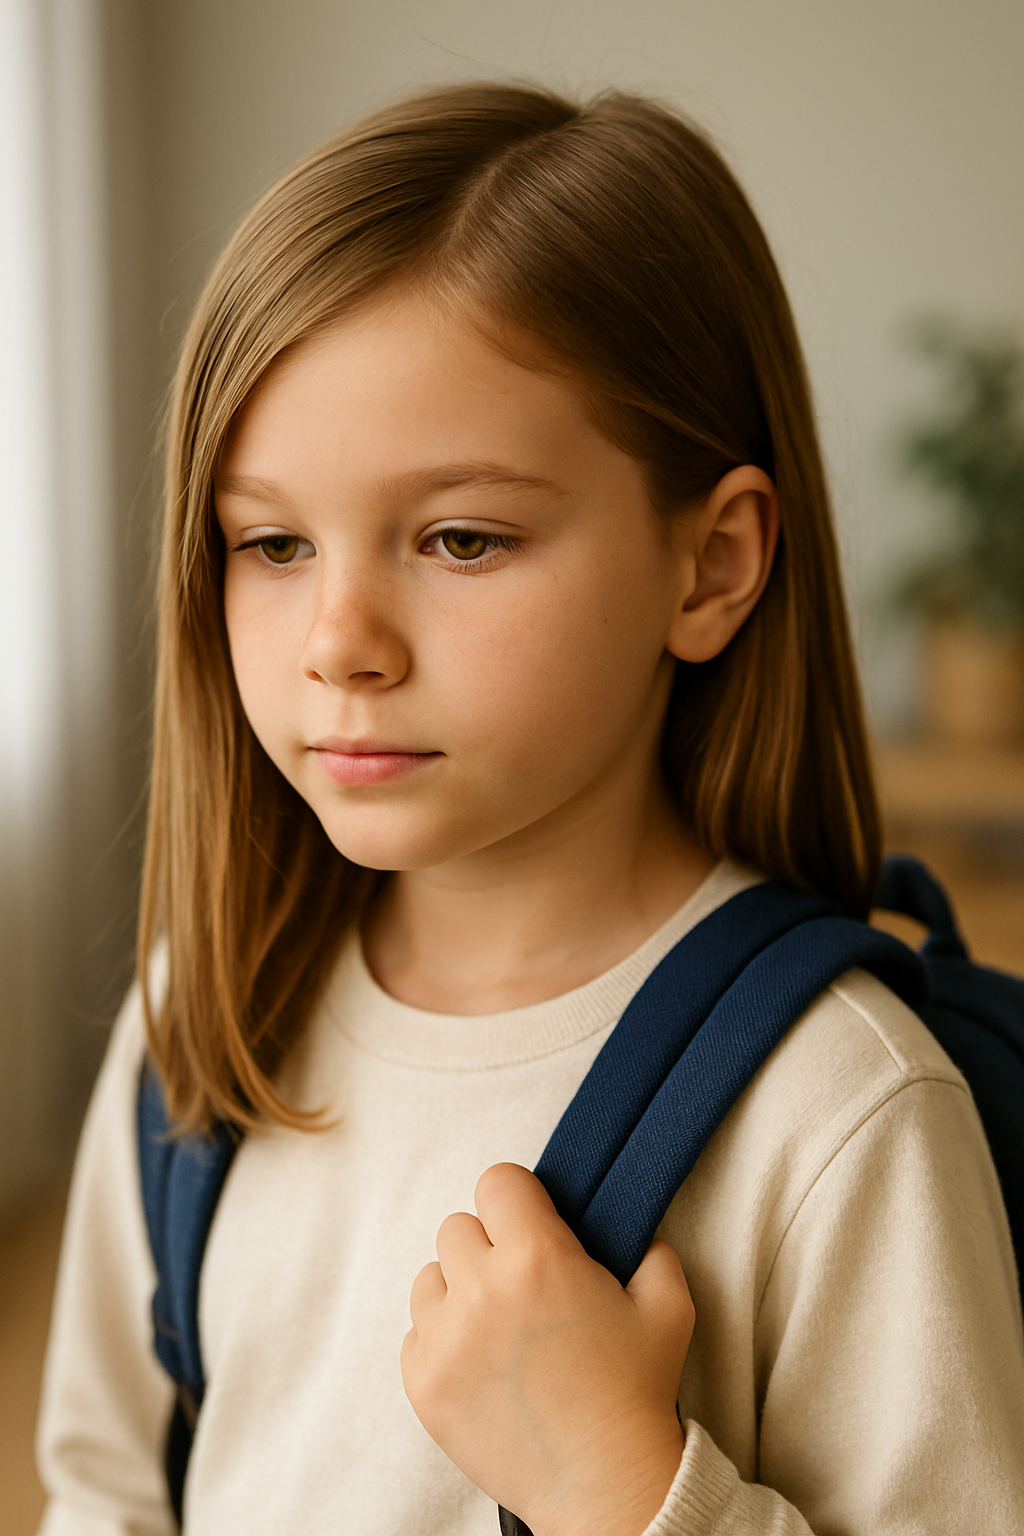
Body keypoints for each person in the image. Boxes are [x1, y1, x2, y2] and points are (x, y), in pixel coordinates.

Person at [35, 83, 1024, 1536]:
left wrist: (620, 1486)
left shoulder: (842, 1115)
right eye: (273, 543)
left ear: (711, 566)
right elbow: (108, 1486)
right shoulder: (207, 1018)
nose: (340, 641)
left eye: (459, 538)